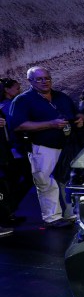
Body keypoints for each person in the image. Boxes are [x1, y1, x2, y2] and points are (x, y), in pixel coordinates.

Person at [8, 67, 84, 227]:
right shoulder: (23, 100)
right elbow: (18, 125)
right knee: (46, 182)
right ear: (30, 81)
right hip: (42, 147)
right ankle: (52, 218)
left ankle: (72, 214)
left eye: (47, 78)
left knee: (68, 181)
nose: (44, 81)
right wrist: (50, 124)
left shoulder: (61, 96)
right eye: (39, 79)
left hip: (66, 147)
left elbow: (77, 112)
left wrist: (80, 118)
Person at [0, 77, 29, 226]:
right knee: (14, 181)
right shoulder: (8, 105)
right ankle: (8, 210)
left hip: (11, 150)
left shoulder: (7, 104)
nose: (20, 91)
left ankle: (9, 211)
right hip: (12, 150)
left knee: (12, 182)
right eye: (17, 88)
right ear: (7, 89)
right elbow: (15, 127)